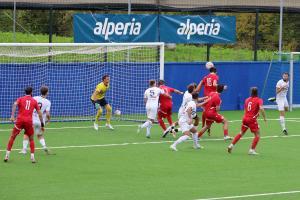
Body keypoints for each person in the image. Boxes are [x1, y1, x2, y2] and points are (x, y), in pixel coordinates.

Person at [4, 86, 44, 163]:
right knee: (31, 139)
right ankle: (32, 157)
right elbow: (39, 113)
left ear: (25, 92)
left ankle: (7, 155)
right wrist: (42, 123)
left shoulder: (20, 99)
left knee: (12, 137)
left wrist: (12, 116)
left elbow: (14, 104)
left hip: (20, 121)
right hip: (28, 122)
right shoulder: (34, 101)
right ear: (31, 92)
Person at [228, 87, 267, 155]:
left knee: (241, 133)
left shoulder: (247, 100)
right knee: (257, 135)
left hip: (245, 118)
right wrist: (264, 118)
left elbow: (246, 110)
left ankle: (231, 145)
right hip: (251, 120)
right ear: (257, 92)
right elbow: (261, 109)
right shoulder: (259, 100)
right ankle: (251, 150)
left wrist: (256, 114)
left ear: (251, 92)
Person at [19, 86, 51, 155]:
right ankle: (44, 146)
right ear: (47, 93)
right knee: (39, 135)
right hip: (40, 121)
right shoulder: (48, 102)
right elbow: (47, 114)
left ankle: (24, 150)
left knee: (27, 134)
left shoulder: (35, 98)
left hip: (32, 119)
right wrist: (48, 120)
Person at [196, 63, 219, 136]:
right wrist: (221, 87)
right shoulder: (215, 76)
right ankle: (208, 126)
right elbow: (215, 84)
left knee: (205, 111)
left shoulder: (205, 77)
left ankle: (204, 126)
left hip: (206, 96)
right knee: (213, 111)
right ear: (215, 72)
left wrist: (196, 91)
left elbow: (199, 86)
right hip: (212, 96)